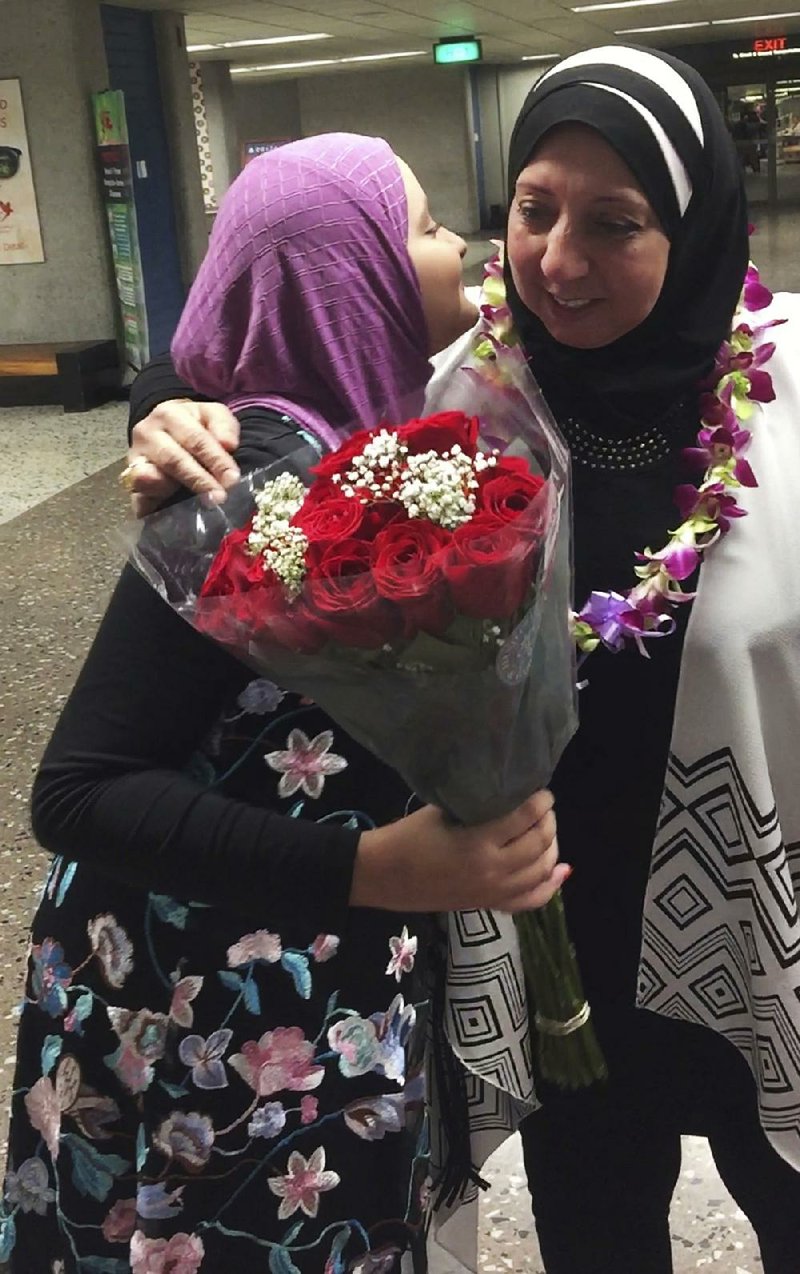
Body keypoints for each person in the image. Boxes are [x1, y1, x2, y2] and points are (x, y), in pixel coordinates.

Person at [125, 48, 800, 1274]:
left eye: (615, 223)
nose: (557, 260)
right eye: (531, 211)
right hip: (544, 927)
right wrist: (166, 400)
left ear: (697, 224)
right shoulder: (450, 395)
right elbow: (284, 328)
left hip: (758, 908)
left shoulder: (788, 389)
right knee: (595, 1228)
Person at [4, 135, 565, 1274]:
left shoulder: (348, 452)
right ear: (342, 278)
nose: (452, 239)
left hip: (278, 1002)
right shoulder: (249, 487)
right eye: (416, 226)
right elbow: (76, 792)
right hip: (202, 1036)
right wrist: (379, 870)